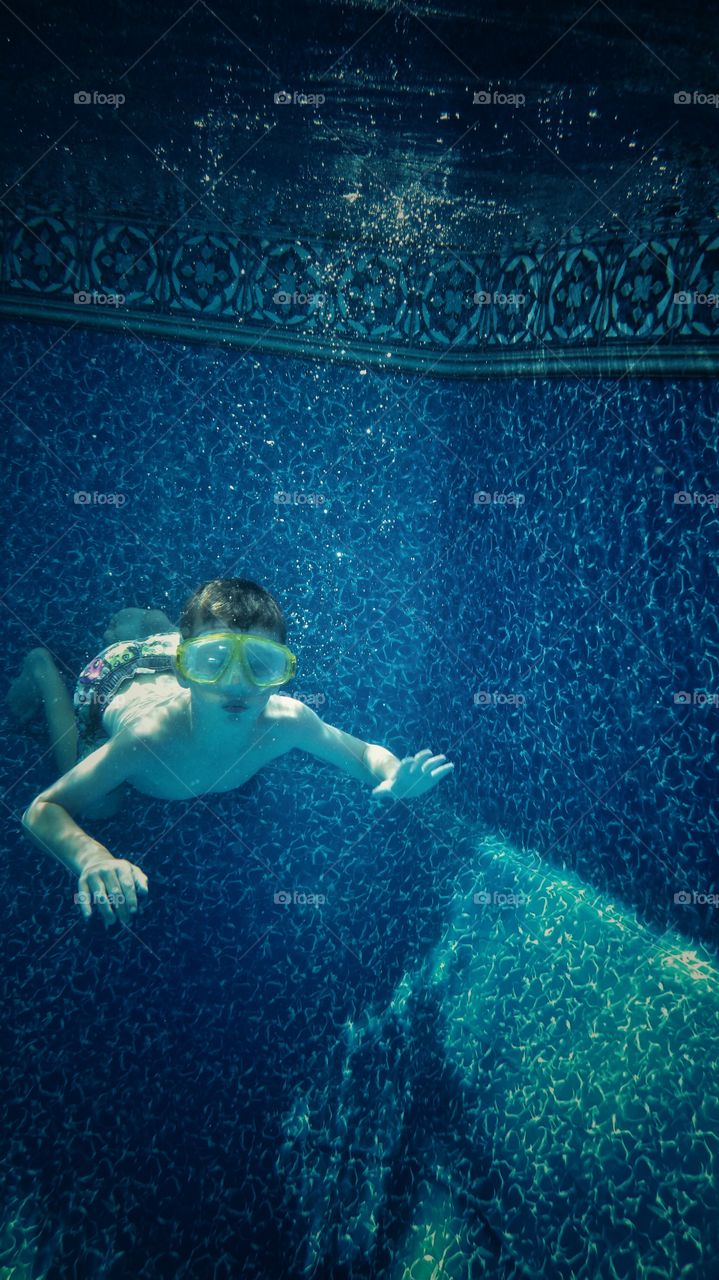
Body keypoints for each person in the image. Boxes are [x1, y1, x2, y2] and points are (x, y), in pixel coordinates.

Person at [13, 579, 454, 930]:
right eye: (212, 662)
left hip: (176, 659)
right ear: (190, 669)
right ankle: (44, 668)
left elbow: (363, 755)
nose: (238, 684)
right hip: (111, 679)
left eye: (261, 666)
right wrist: (92, 857)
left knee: (222, 641)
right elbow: (44, 809)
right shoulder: (146, 741)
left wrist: (394, 775)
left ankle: (158, 631)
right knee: (102, 807)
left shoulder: (286, 719)